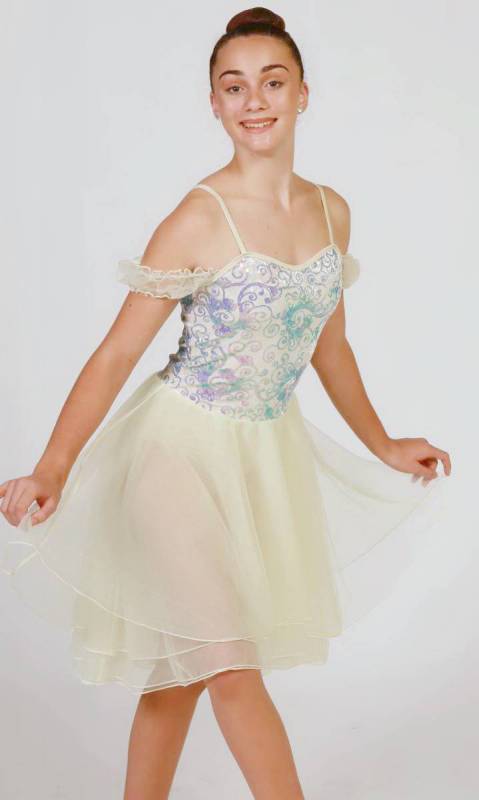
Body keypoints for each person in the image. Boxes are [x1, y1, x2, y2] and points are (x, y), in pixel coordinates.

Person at [0, 7, 451, 799]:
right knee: (230, 664)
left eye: (271, 82)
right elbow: (116, 353)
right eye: (233, 86)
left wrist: (381, 443)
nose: (254, 101)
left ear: (302, 93)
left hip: (261, 457)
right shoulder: (197, 217)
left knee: (179, 673)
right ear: (213, 103)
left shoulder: (330, 210)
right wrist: (53, 467)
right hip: (174, 457)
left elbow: (329, 345)